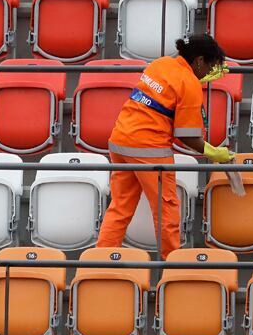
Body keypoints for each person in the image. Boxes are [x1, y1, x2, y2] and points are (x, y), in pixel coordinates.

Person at [96, 34, 234, 260]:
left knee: (120, 207)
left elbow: (167, 91)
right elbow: (188, 137)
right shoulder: (189, 84)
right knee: (166, 208)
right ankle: (171, 265)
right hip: (149, 150)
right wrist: (215, 153)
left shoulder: (161, 64)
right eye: (210, 65)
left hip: (120, 141)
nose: (210, 71)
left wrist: (195, 81)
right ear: (199, 61)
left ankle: (99, 261)